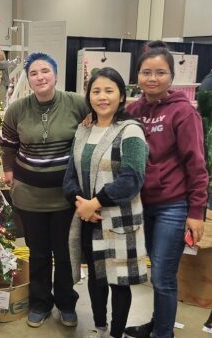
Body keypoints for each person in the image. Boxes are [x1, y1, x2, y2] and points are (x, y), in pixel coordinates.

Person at [123, 41, 209, 338]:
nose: (153, 78)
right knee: (153, 273)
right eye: (147, 72)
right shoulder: (133, 110)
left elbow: (196, 164)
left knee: (163, 276)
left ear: (171, 77)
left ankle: (163, 334)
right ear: (138, 76)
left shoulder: (183, 113)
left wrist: (196, 212)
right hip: (141, 204)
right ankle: (157, 325)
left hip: (172, 206)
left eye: (160, 72)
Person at [0, 52, 88, 328]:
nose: (40, 77)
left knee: (64, 253)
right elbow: (8, 144)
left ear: (56, 75)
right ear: (28, 79)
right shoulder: (17, 109)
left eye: (45, 71)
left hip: (65, 196)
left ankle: (66, 303)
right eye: (34, 73)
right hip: (29, 196)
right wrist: (9, 171)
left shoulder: (76, 103)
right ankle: (40, 302)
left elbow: (97, 126)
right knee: (37, 253)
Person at [63, 67, 149, 338]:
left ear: (121, 96)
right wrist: (80, 205)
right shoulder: (84, 129)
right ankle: (99, 326)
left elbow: (132, 177)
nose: (102, 97)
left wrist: (95, 203)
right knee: (97, 277)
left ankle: (116, 333)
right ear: (88, 96)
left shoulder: (130, 131)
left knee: (119, 281)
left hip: (118, 220)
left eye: (109, 91)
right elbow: (71, 172)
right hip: (89, 218)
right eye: (96, 91)